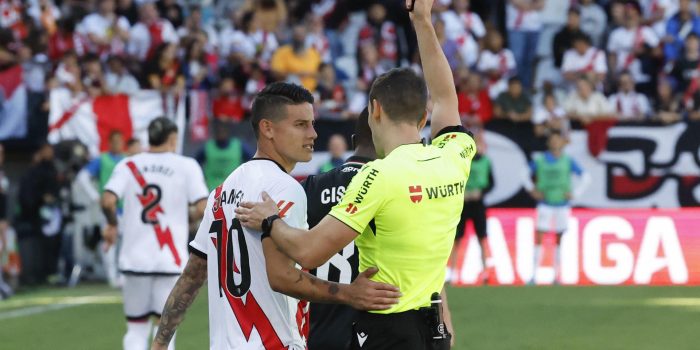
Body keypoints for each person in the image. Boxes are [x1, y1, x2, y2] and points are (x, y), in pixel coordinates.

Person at [235, 1, 476, 348]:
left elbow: (311, 252)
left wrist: (271, 221)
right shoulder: (454, 155)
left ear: (374, 110)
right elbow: (445, 97)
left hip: (388, 330)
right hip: (435, 330)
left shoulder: (378, 175)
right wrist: (422, 20)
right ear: (424, 118)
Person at [152, 83, 400, 350]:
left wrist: (160, 341)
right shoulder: (285, 188)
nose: (313, 134)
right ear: (267, 128)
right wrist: (348, 294)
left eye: (312, 124)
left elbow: (192, 275)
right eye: (301, 125)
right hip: (273, 343)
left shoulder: (221, 193)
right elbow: (282, 277)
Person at [101, 117, 209, 350]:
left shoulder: (128, 165)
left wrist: (112, 225)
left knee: (136, 328)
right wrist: (186, 220)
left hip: (133, 259)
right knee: (164, 333)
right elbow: (203, 208)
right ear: (172, 138)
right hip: (169, 260)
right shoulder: (186, 165)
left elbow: (108, 200)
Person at [303, 108, 376, 349]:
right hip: (371, 332)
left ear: (353, 143)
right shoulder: (390, 190)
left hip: (316, 331)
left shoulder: (311, 187)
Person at [523, 132, 590, 285]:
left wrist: (575, 194)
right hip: (545, 203)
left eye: (557, 140)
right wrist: (532, 189)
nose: (555, 143)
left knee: (559, 240)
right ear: (548, 143)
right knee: (539, 237)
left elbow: (586, 177)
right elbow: (523, 173)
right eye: (552, 140)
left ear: (562, 143)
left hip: (562, 204)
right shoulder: (540, 160)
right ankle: (534, 275)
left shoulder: (567, 160)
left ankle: (556, 275)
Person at [451, 134, 491, 285]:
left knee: (482, 237)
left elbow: (491, 184)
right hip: (462, 204)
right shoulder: (462, 161)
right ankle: (451, 273)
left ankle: (485, 271)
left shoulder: (486, 162)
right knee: (456, 239)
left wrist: (480, 192)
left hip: (478, 205)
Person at [195, 121, 253, 191]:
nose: (221, 132)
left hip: (234, 191)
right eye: (219, 130)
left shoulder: (239, 146)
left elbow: (253, 162)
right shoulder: (207, 147)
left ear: (228, 131)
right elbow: (194, 165)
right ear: (215, 132)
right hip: (211, 191)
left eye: (224, 130)